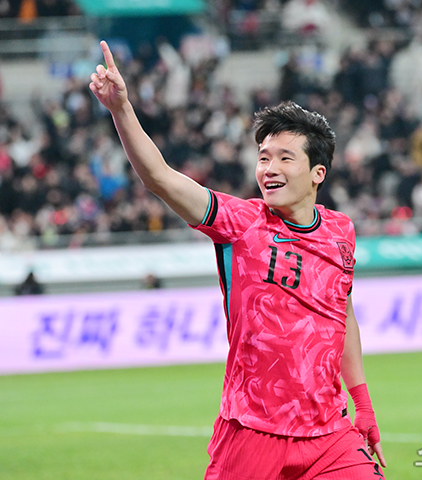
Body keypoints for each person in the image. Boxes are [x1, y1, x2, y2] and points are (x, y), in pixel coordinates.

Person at [89, 41, 386, 479]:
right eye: (263, 158)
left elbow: (341, 313)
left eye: (285, 158)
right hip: (252, 431)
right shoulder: (241, 222)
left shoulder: (341, 231)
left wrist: (363, 404)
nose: (269, 168)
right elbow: (160, 178)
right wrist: (121, 110)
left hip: (330, 434)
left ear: (317, 173)